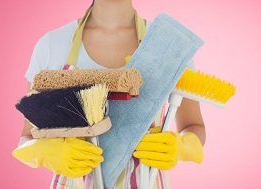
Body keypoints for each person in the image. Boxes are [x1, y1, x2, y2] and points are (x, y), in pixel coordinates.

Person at [12, 0, 206, 188]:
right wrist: (46, 152)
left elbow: (193, 125)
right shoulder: (52, 45)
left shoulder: (168, 47)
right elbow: (27, 136)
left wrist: (182, 148)